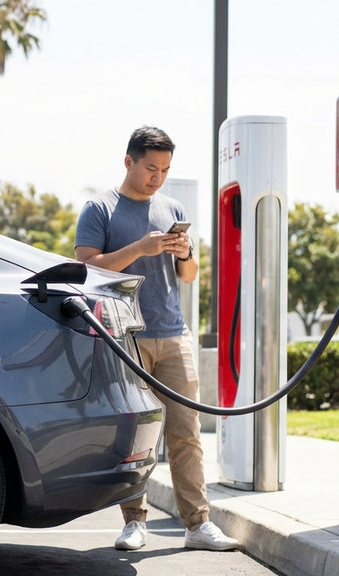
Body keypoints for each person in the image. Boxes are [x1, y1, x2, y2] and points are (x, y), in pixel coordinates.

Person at [74, 126, 240, 552]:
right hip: (124, 338)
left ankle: (197, 524)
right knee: (135, 436)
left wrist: (183, 252)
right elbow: (88, 269)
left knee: (185, 433)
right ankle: (134, 522)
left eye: (165, 170)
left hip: (172, 334)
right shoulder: (100, 208)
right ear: (129, 161)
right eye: (151, 168)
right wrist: (140, 249)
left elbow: (188, 275)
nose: (158, 178)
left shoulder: (171, 207)